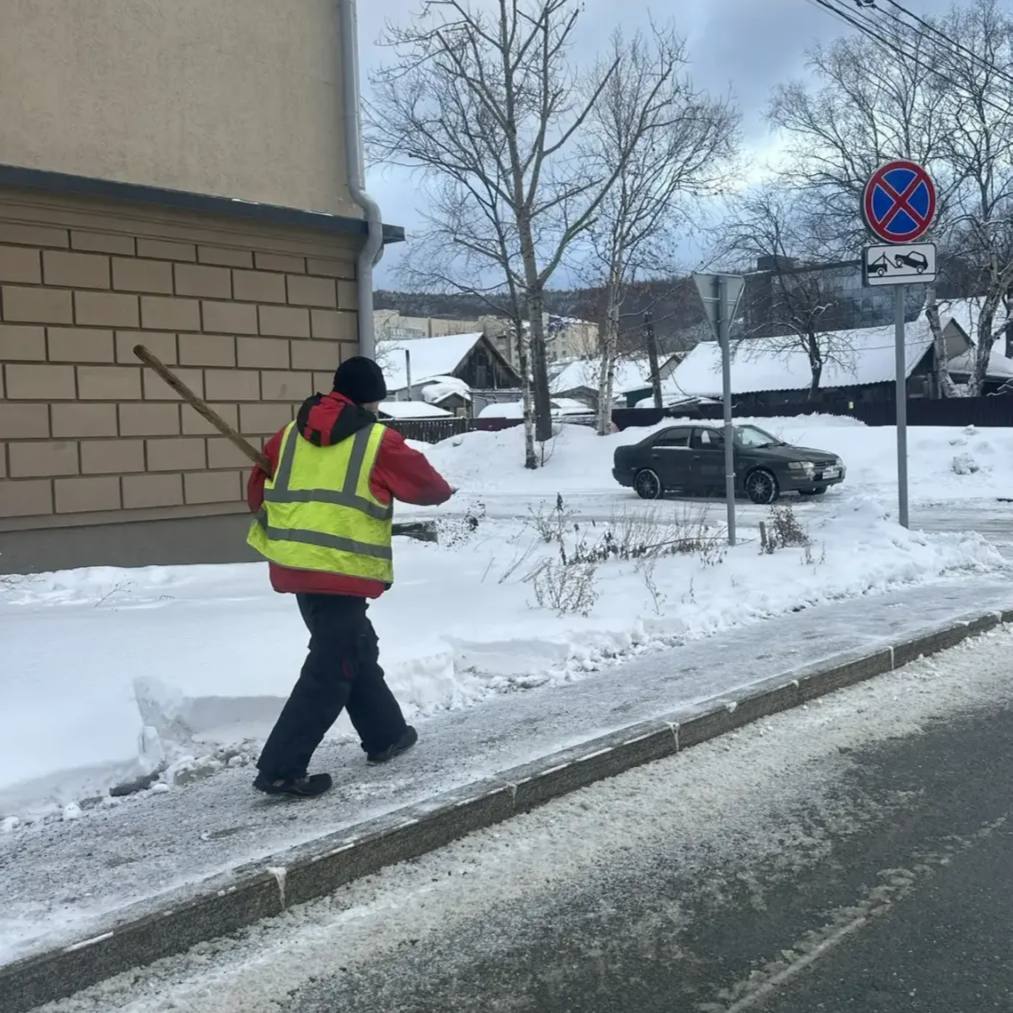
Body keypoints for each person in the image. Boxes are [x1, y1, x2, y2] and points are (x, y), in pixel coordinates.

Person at [246, 356, 453, 798]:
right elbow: (431, 490)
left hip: (294, 563)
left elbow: (254, 493)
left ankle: (386, 734)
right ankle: (281, 768)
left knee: (354, 646)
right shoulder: (377, 440)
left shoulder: (287, 436)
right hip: (339, 569)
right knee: (331, 666)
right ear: (372, 398)